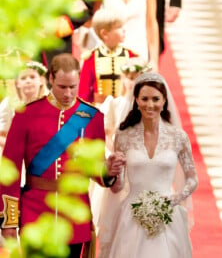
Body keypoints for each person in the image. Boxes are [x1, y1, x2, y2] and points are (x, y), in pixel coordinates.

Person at [0, 53, 126, 258]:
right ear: (50, 79)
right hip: (35, 215)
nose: (68, 93)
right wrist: (9, 223)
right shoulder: (26, 114)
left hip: (75, 217)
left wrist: (108, 171)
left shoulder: (92, 118)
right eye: (62, 87)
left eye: (73, 87)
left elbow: (96, 171)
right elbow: (9, 173)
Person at [98, 72, 198, 258]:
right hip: (132, 216)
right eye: (144, 98)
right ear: (136, 100)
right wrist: (112, 172)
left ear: (164, 101)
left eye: (155, 99)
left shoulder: (178, 137)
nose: (149, 104)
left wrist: (173, 200)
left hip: (167, 214)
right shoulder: (124, 136)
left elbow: (192, 179)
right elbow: (117, 187)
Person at [89, 57, 151, 237]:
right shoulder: (114, 104)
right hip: (119, 162)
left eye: (137, 78)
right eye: (129, 78)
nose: (132, 82)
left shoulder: (149, 107)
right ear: (123, 79)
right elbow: (107, 134)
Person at [99, 0, 161, 72]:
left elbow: (151, 23)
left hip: (139, 51)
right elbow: (96, 21)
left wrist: (154, 60)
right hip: (110, 51)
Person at [78, 7, 138, 106]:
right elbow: (84, 92)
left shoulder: (130, 55)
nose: (124, 30)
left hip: (123, 108)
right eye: (119, 27)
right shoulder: (91, 58)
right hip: (99, 109)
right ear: (104, 34)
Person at [0, 60, 49, 157]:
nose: (28, 81)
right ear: (17, 83)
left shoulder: (49, 103)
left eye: (32, 77)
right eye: (23, 78)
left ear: (41, 81)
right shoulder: (9, 103)